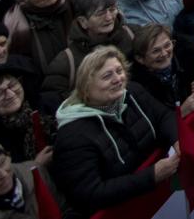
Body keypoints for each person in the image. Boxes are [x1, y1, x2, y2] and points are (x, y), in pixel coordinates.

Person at [51, 47, 179, 214]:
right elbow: (90, 194)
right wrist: (151, 176)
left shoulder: (133, 91)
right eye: (107, 76)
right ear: (87, 88)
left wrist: (177, 140)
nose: (118, 79)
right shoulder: (72, 137)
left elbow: (163, 116)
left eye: (119, 71)